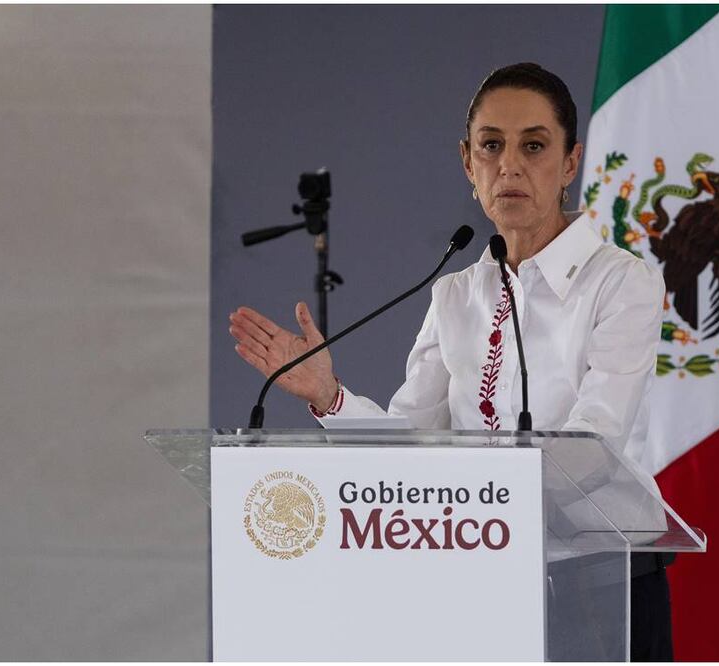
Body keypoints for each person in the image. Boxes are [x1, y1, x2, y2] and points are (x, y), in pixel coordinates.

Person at [228, 62, 673, 661]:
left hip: (598, 580)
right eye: (491, 146)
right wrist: (330, 397)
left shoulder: (621, 284)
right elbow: (412, 445)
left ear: (570, 163)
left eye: (534, 146)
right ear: (468, 163)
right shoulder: (456, 293)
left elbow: (593, 442)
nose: (509, 165)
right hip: (483, 568)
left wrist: (472, 497)